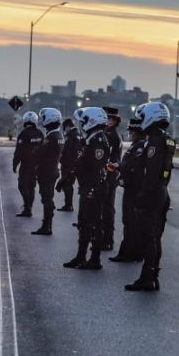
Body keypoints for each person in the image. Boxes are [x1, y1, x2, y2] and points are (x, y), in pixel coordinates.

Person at [125, 102, 176, 292]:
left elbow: (151, 173)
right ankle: (152, 276)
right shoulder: (166, 139)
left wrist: (142, 197)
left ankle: (147, 278)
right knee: (155, 237)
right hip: (162, 192)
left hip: (152, 194)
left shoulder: (154, 141)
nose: (141, 121)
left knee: (149, 237)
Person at [58, 107, 110, 270]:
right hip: (87, 186)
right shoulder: (91, 139)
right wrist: (66, 178)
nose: (82, 125)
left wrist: (91, 190)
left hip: (94, 188)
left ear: (92, 122)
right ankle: (81, 256)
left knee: (93, 223)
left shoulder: (99, 141)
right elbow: (80, 162)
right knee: (84, 222)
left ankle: (95, 259)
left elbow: (94, 167)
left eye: (85, 121)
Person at [109, 105, 146, 263]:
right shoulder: (138, 146)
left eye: (132, 131)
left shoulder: (138, 148)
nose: (130, 133)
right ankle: (135, 251)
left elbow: (131, 167)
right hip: (134, 188)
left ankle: (128, 252)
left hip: (133, 189)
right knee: (133, 222)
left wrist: (118, 167)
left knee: (130, 221)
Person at [32, 107, 64, 235]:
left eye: (44, 118)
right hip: (52, 170)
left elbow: (39, 153)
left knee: (47, 199)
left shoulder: (51, 137)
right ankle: (47, 225)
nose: (42, 120)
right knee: (47, 198)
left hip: (47, 172)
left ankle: (47, 226)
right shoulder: (58, 135)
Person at [12, 110, 44, 217]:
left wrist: (15, 164)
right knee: (31, 186)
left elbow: (19, 151)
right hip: (37, 165)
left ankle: (27, 207)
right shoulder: (40, 134)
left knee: (22, 186)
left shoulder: (23, 134)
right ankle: (29, 206)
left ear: (25, 121)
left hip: (26, 165)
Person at [100, 106, 123, 251]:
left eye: (110, 119)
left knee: (106, 209)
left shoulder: (111, 136)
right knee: (105, 209)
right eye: (106, 118)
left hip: (108, 175)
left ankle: (107, 239)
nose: (108, 121)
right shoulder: (107, 133)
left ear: (115, 121)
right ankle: (105, 238)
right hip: (109, 175)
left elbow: (108, 159)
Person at [57, 117, 80, 212]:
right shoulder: (77, 134)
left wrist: (62, 160)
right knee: (68, 184)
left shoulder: (71, 135)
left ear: (67, 127)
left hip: (69, 164)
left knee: (67, 185)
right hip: (73, 164)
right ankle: (68, 204)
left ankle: (68, 205)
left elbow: (69, 152)